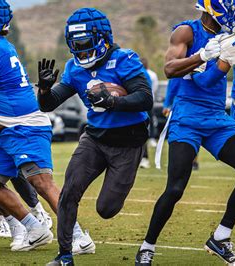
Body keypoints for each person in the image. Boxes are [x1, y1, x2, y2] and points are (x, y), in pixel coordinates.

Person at [0, 0, 92, 253]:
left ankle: (79, 236)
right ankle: (35, 228)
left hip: (24, 127)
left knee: (42, 183)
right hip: (5, 129)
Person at [37, 8, 153, 265]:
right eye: (76, 46)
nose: (81, 51)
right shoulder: (73, 68)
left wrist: (112, 101)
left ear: (102, 38)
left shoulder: (124, 59)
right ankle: (64, 255)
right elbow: (49, 104)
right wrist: (44, 89)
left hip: (128, 141)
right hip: (95, 138)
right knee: (69, 192)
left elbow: (145, 98)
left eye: (86, 44)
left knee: (106, 209)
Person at [135, 1, 235, 265]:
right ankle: (147, 246)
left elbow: (211, 79)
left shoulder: (230, 37)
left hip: (217, 118)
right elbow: (169, 69)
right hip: (187, 118)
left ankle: (220, 236)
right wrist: (201, 57)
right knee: (175, 188)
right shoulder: (186, 31)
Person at [188, 3, 235, 263]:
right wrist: (198, 63)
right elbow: (207, 80)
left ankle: (223, 235)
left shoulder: (230, 43)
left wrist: (196, 71)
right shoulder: (231, 43)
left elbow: (206, 80)